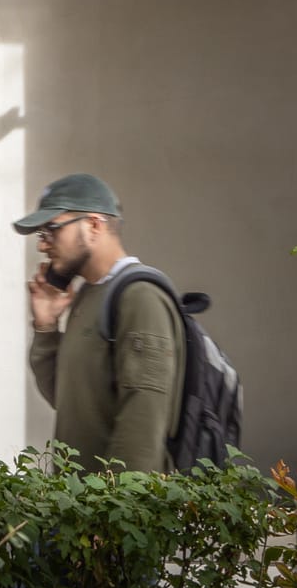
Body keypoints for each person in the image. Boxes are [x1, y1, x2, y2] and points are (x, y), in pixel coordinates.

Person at [17, 172, 185, 473]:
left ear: (94, 225)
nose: (43, 246)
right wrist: (46, 328)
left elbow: (143, 418)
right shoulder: (89, 294)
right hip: (80, 507)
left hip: (114, 511)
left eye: (51, 230)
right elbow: (69, 399)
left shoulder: (140, 297)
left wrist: (113, 511)